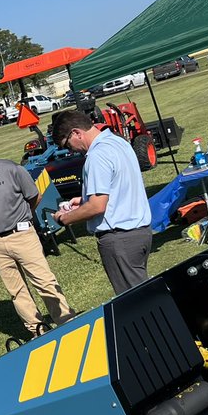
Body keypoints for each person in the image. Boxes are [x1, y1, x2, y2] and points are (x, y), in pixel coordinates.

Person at [0, 133, 75, 336]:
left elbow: (33, 197)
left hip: (22, 236)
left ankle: (67, 323)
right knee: (16, 291)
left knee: (44, 281)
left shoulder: (12, 169)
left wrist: (22, 219)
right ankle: (37, 331)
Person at [51, 109, 153, 294]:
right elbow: (119, 187)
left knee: (138, 303)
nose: (71, 151)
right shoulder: (118, 142)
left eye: (67, 145)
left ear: (76, 133)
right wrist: (83, 200)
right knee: (142, 295)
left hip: (119, 239)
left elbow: (98, 206)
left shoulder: (97, 156)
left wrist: (64, 219)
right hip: (140, 233)